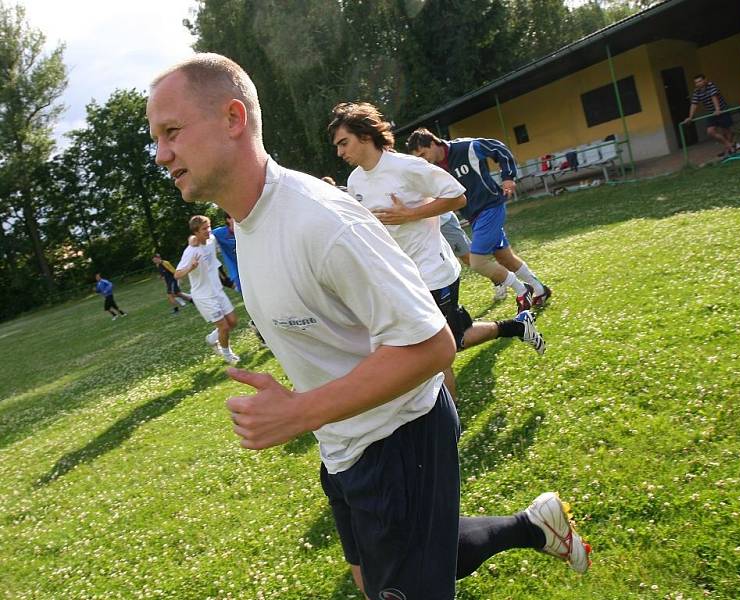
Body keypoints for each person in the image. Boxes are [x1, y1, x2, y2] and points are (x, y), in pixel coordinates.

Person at [147, 53, 590, 600]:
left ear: (233, 119)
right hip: (342, 443)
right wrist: (312, 417)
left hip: (399, 437)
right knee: (374, 576)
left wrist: (297, 412)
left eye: (171, 132)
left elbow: (432, 345)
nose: (162, 154)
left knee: (397, 582)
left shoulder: (321, 221)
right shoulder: (246, 222)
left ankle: (528, 526)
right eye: (156, 138)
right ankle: (533, 525)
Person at [328, 102, 546, 399]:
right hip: (400, 275)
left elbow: (457, 196)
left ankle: (450, 421)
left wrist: (411, 214)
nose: (340, 152)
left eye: (344, 142)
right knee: (451, 340)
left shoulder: (408, 166)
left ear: (365, 135)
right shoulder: (355, 182)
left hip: (434, 270)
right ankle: (518, 327)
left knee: (433, 350)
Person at [406, 128, 552, 309]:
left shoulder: (467, 147)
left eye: (423, 153)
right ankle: (540, 289)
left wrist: (508, 177)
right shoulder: (434, 168)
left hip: (490, 208)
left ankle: (523, 291)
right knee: (504, 257)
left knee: (477, 262)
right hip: (475, 217)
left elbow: (499, 149)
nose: (423, 159)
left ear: (434, 143)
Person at [174, 215, 240, 364]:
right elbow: (177, 274)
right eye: (204, 229)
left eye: (209, 227)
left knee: (233, 322)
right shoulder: (191, 251)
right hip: (204, 296)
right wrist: (190, 267)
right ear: (195, 232)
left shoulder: (211, 240)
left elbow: (218, 233)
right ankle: (228, 355)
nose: (208, 230)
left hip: (217, 291)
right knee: (224, 327)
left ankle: (212, 339)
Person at [212, 212, 268, 348]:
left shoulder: (246, 228)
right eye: (232, 218)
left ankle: (259, 327)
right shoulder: (220, 233)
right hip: (239, 275)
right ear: (227, 220)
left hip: (256, 269)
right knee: (256, 304)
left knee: (265, 302)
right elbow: (205, 234)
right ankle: (262, 335)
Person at [682, 73, 740, 157]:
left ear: (705, 80)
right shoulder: (697, 91)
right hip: (711, 112)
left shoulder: (711, 86)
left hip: (722, 110)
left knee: (726, 130)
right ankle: (730, 145)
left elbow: (714, 97)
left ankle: (729, 150)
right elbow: (694, 104)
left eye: (700, 81)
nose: (698, 84)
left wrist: (717, 109)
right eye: (696, 82)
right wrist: (690, 117)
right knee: (710, 131)